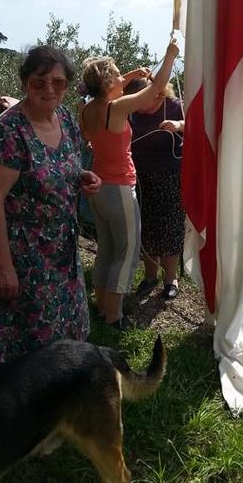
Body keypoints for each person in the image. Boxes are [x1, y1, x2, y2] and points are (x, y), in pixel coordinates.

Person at [0, 45, 101, 365]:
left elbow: (63, 167)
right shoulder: (9, 131)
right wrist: (3, 268)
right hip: (25, 261)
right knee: (29, 355)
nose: (49, 89)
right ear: (25, 83)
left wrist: (83, 177)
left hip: (64, 253)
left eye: (58, 82)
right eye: (39, 82)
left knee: (67, 346)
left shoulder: (66, 119)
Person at [79, 41, 179, 328]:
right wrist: (169, 56)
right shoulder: (117, 108)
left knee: (107, 250)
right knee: (127, 254)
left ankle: (102, 307)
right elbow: (156, 86)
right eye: (116, 73)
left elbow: (115, 85)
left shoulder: (87, 109)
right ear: (107, 82)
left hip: (98, 188)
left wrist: (134, 73)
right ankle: (115, 315)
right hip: (120, 188)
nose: (121, 76)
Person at [124, 78, 185, 299]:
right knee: (146, 226)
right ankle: (150, 277)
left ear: (155, 93)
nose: (137, 105)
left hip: (170, 175)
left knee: (170, 227)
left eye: (141, 100)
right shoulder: (131, 110)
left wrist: (178, 125)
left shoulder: (174, 105)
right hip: (140, 176)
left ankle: (171, 279)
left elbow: (195, 124)